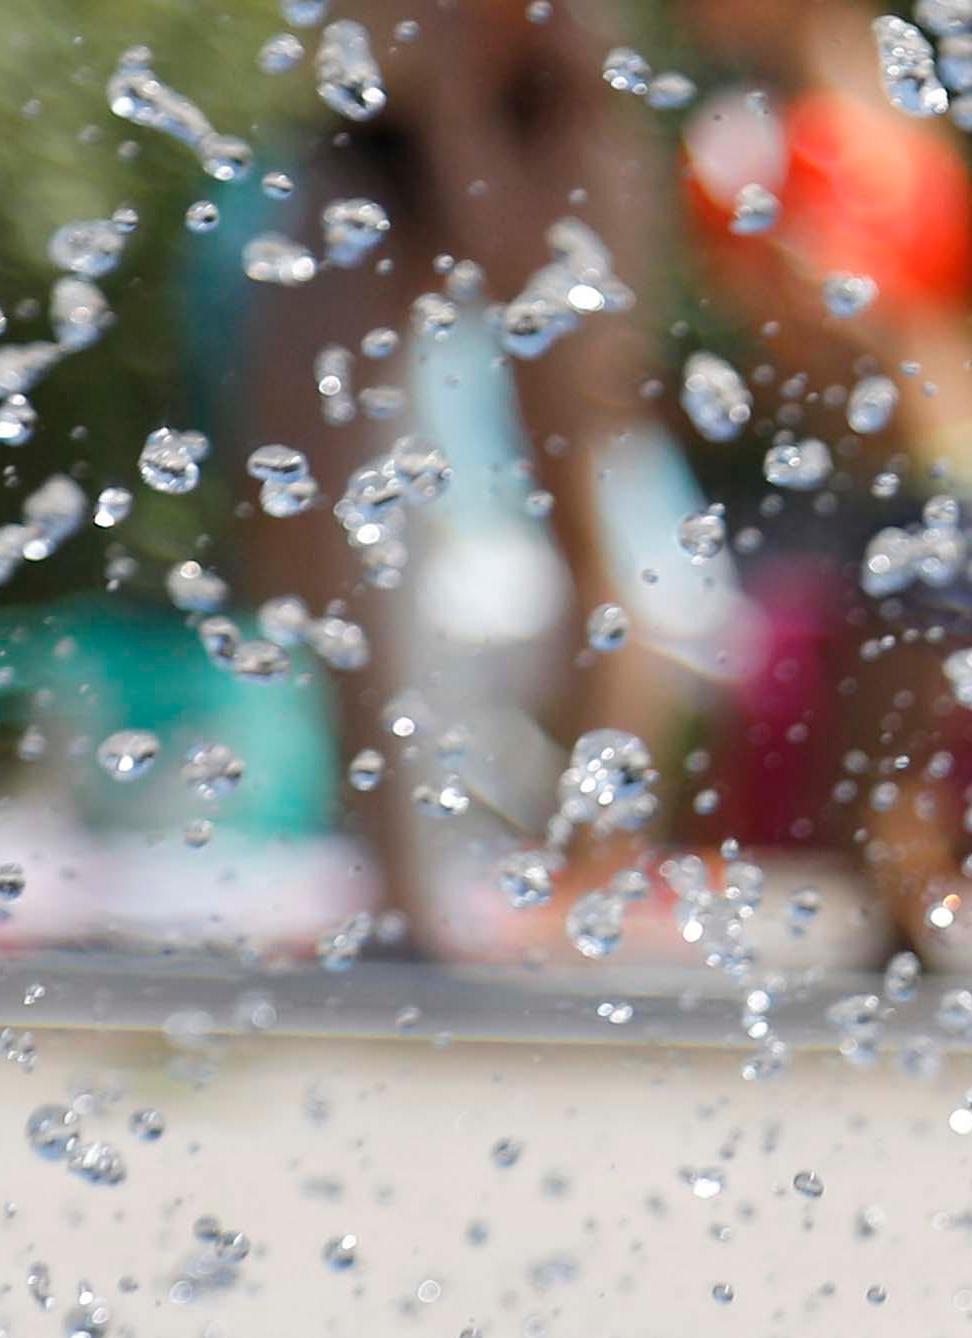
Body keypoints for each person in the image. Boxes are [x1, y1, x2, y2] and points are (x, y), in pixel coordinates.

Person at [236, 0, 680, 960]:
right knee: (314, 527)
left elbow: (506, 253)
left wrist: (463, 106)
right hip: (384, 141)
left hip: (541, 128)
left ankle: (595, 862)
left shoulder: (568, 68)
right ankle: (394, 884)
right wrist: (441, 98)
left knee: (585, 512)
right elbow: (367, 62)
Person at [676, 0, 972, 948]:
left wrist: (768, 256)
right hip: (900, 475)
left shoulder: (849, 135)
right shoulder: (855, 121)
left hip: (948, 471)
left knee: (896, 740)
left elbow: (866, 320)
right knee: (876, 737)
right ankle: (907, 929)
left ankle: (918, 925)